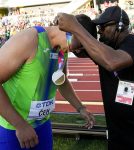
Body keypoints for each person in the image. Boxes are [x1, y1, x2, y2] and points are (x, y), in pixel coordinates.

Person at [57, 6, 134, 150]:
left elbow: (112, 61)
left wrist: (76, 27)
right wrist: (78, 29)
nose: (100, 31)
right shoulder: (104, 49)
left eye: (103, 26)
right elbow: (76, 48)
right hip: (118, 135)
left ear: (120, 26)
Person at [0, 14, 95, 150]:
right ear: (71, 31)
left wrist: (80, 108)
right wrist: (20, 125)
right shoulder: (29, 39)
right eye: (80, 45)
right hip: (13, 128)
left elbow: (60, 80)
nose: (78, 50)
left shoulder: (64, 48)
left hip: (42, 124)